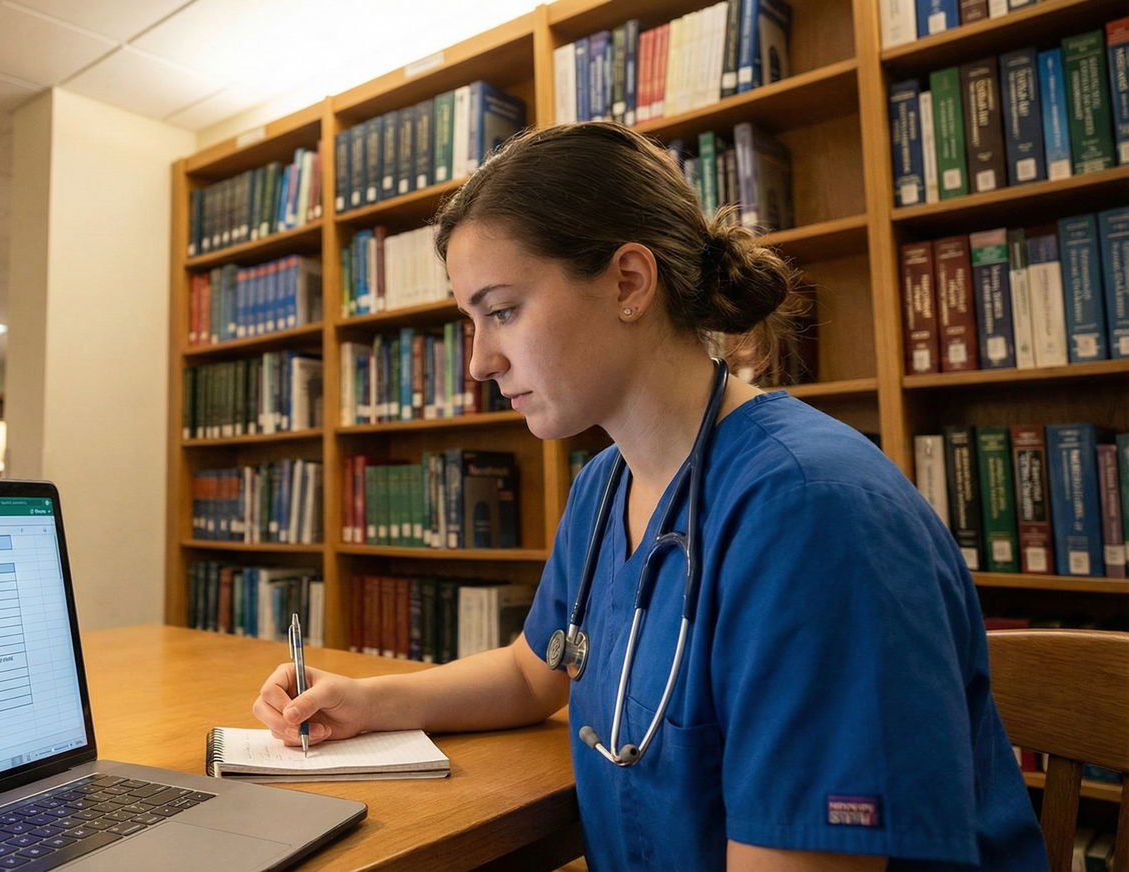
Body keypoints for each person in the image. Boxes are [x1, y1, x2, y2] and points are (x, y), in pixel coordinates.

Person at [251, 122, 1046, 871]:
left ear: (630, 281)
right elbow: (537, 673)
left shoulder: (810, 512)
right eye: (470, 321)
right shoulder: (607, 485)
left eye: (501, 311)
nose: (479, 362)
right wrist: (360, 700)